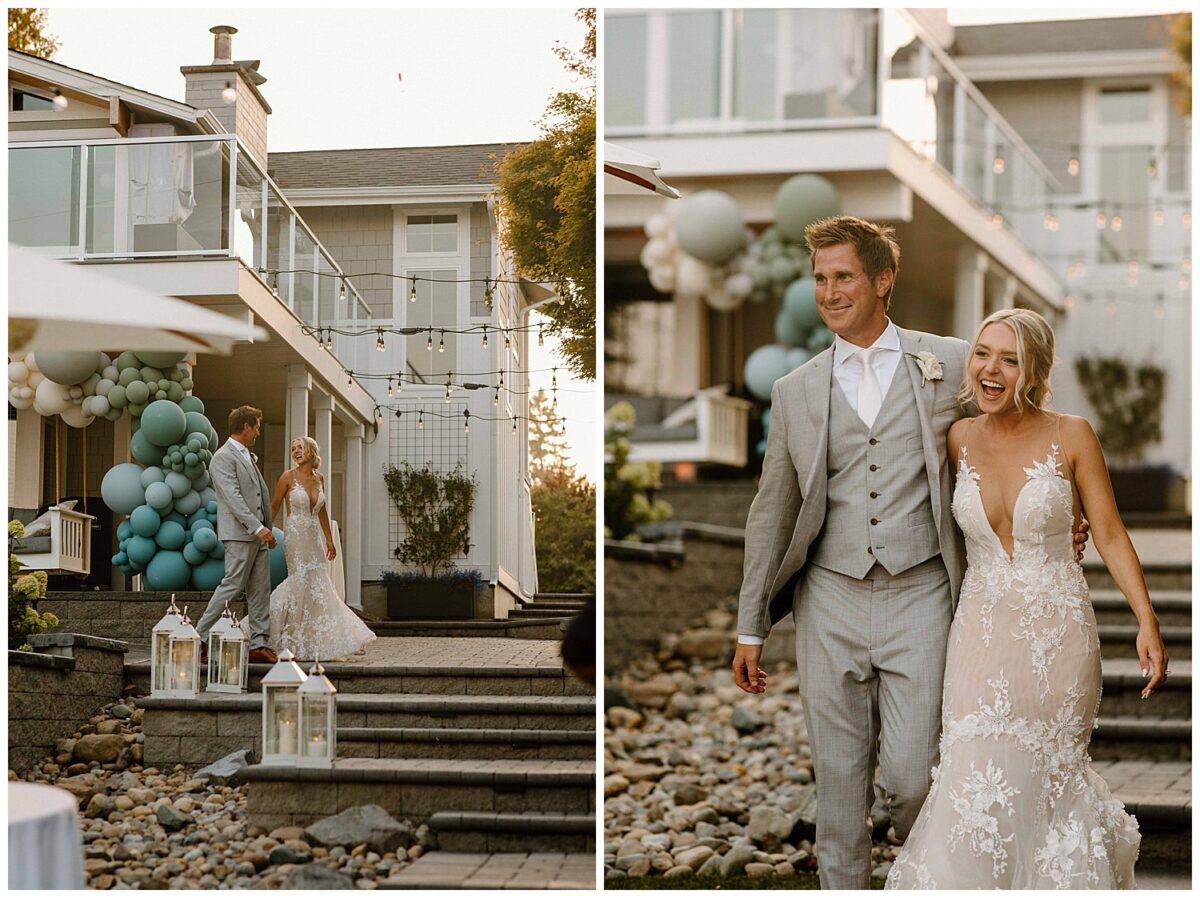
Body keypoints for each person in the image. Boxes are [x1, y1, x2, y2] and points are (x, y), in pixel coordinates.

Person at [730, 216, 1089, 889]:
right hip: (828, 597)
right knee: (838, 792)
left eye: (844, 277)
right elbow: (771, 513)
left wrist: (1058, 509)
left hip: (922, 591)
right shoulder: (795, 390)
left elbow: (1023, 417)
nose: (830, 292)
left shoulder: (951, 359)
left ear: (882, 280)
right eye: (820, 280)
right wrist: (751, 625)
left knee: (911, 779)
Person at [886, 309, 1165, 889]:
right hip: (980, 636)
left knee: (1049, 781)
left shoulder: (1073, 433)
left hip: (1057, 637)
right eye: (983, 353)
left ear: (1034, 370)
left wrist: (1146, 620)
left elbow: (1108, 530)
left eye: (1009, 359)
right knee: (971, 779)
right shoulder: (957, 437)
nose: (991, 369)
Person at [263, 436, 375, 661]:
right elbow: (274, 506)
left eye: (300, 448)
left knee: (319, 581)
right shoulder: (287, 477)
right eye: (293, 448)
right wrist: (266, 532)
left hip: (314, 536)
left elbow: (322, 511)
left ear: (311, 452)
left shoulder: (319, 479)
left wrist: (330, 540)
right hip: (295, 535)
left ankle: (321, 640)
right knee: (300, 579)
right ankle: (286, 636)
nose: (295, 452)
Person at [196, 405, 278, 665]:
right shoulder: (222, 457)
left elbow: (259, 494)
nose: (257, 433)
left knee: (260, 590)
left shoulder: (247, 456)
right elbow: (233, 497)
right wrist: (256, 526)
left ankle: (259, 644)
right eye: (256, 427)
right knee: (232, 585)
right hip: (240, 533)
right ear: (245, 427)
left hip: (258, 534)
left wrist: (267, 526)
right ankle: (200, 636)